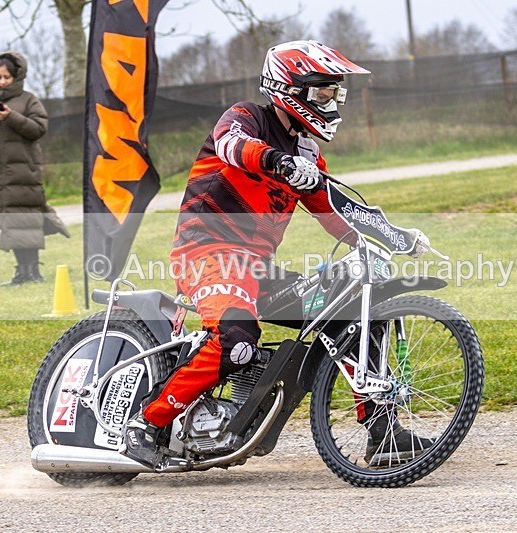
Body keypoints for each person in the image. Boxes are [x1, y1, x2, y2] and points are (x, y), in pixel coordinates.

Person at [122, 40, 433, 468]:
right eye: (322, 91)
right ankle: (146, 423)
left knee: (355, 312)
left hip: (257, 269)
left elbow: (335, 212)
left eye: (335, 93)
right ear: (290, 87)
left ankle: (383, 435)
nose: (331, 101)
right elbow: (231, 145)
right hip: (206, 252)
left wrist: (394, 236)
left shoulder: (308, 153)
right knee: (236, 341)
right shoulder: (247, 116)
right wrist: (277, 162)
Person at [0, 52, 69, 285]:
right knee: (10, 221)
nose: (2, 81)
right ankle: (21, 271)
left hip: (26, 172)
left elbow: (38, 129)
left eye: (6, 77)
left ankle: (33, 270)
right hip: (0, 176)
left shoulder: (29, 100)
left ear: (17, 76)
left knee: (28, 219)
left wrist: (10, 116)